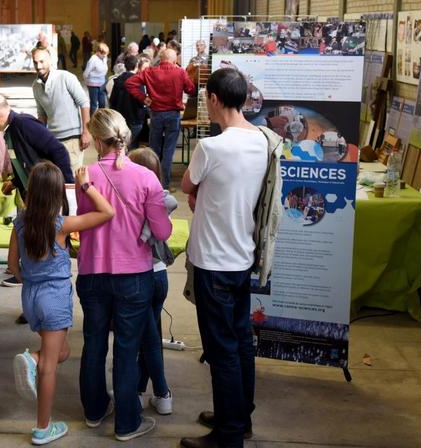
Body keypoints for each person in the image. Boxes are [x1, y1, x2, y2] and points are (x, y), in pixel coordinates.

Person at [179, 68, 268, 448]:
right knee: (240, 342)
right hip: (241, 255)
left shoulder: (211, 147)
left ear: (214, 99)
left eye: (206, 98)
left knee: (221, 351)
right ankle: (239, 416)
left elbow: (186, 185)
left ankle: (228, 435)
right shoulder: (263, 140)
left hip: (213, 261)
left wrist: (201, 193)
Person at [76, 109, 172, 442]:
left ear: (99, 140)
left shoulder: (84, 175)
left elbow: (85, 218)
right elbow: (162, 230)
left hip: (91, 272)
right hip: (133, 275)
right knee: (127, 349)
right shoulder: (147, 178)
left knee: (94, 343)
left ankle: (94, 410)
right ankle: (127, 422)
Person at [9, 162, 114, 445]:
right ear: (57, 193)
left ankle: (35, 360)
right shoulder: (61, 225)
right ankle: (43, 427)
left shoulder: (20, 221)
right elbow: (107, 212)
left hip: (30, 296)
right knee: (49, 368)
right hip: (53, 297)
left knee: (63, 352)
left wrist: (31, 279)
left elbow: (12, 266)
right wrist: (86, 185)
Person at [0, 93, 74, 290]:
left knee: (47, 248)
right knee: (34, 243)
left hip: (48, 195)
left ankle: (44, 292)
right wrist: (15, 181)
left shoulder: (23, 124)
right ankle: (31, 283)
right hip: (33, 196)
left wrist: (67, 187)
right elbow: (26, 159)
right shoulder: (11, 129)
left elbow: (59, 151)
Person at [128, 148, 176, 415]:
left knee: (147, 340)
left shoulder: (136, 200)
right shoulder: (161, 199)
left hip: (142, 276)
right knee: (150, 334)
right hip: (160, 277)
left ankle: (162, 391)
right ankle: (139, 387)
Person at [125, 48, 195, 191]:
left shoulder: (149, 72)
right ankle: (165, 186)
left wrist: (143, 98)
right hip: (173, 115)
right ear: (174, 60)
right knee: (168, 152)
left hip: (156, 114)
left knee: (154, 150)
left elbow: (130, 83)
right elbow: (191, 89)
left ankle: (151, 184)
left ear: (160, 59)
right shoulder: (180, 72)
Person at [32, 47, 91, 173]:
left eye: (42, 61)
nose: (38, 66)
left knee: (73, 180)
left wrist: (86, 132)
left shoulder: (66, 77)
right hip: (52, 140)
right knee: (57, 180)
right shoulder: (36, 86)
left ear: (50, 61)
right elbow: (42, 115)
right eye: (35, 62)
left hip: (72, 139)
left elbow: (84, 103)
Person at [109, 55, 144, 149]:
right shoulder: (138, 81)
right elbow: (141, 101)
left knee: (121, 146)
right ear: (137, 65)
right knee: (133, 145)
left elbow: (112, 100)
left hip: (120, 119)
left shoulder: (117, 81)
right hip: (135, 119)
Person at [83, 42, 109, 116]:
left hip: (102, 83)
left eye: (106, 54)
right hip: (93, 84)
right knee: (94, 104)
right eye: (104, 54)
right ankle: (92, 119)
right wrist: (87, 82)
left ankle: (101, 118)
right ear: (98, 52)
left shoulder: (104, 58)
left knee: (102, 103)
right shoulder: (93, 60)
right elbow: (86, 73)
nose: (105, 56)